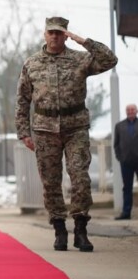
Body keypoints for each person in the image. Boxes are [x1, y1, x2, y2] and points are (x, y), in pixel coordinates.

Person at [16, 16, 117, 252]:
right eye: (51, 32)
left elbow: (110, 59)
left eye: (59, 33)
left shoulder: (80, 59)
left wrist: (85, 42)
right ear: (44, 34)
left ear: (66, 35)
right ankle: (59, 229)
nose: (54, 36)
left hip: (75, 128)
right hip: (44, 129)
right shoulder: (32, 63)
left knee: (80, 177)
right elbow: (22, 100)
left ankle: (80, 229)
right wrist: (23, 132)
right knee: (50, 182)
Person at [114, 104, 138, 220]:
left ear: (136, 111)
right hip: (126, 162)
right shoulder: (119, 126)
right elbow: (116, 145)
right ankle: (126, 212)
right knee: (127, 188)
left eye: (132, 109)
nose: (130, 111)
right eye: (128, 110)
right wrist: (120, 158)